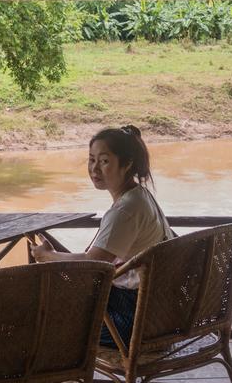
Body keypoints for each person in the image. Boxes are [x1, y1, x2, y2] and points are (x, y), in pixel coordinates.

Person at [30, 125, 174, 349]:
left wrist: (47, 256)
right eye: (91, 159)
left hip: (135, 321)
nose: (94, 168)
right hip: (157, 311)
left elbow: (93, 263)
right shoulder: (141, 196)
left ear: (127, 164)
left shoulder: (125, 211)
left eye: (104, 161)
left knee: (49, 316)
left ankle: (60, 376)